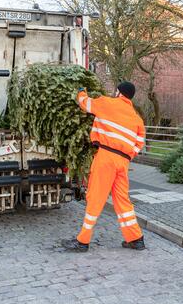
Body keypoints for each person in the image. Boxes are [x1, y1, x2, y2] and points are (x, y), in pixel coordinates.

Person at [61, 81, 146, 252]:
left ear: (119, 92)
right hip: (123, 162)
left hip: (106, 157)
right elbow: (139, 143)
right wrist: (128, 155)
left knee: (95, 197)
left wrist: (80, 92)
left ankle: (82, 241)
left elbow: (86, 104)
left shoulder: (107, 103)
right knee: (122, 200)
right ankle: (136, 238)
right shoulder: (137, 119)